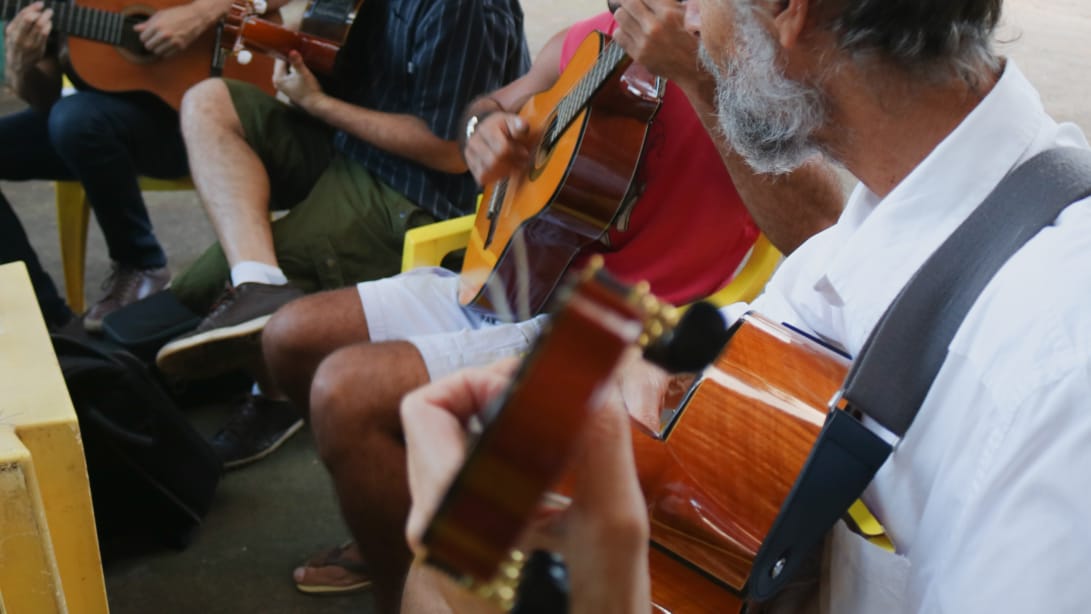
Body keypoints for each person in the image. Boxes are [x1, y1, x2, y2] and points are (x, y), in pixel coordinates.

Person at [402, 0, 1091, 611]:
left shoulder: (1056, 368)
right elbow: (747, 366)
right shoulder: (887, 215)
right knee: (451, 565)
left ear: (789, 10)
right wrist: (615, 388)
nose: (690, 24)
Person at [263, 0, 845, 609]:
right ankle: (392, 510)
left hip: (620, 325)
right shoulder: (583, 40)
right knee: (290, 337)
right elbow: (487, 107)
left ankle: (406, 582)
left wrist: (697, 76)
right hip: (513, 271)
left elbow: (823, 229)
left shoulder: (748, 53)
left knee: (344, 393)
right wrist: (481, 134)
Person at [150, 0, 531, 467]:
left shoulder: (462, 10)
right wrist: (283, 34)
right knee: (207, 100)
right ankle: (258, 284)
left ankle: (277, 395)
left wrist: (320, 104)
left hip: (415, 192)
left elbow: (449, 150)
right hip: (348, 145)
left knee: (200, 293)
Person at [0, 0, 229, 330]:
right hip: (100, 126)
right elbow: (44, 99)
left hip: (202, 116)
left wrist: (200, 12)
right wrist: (21, 65)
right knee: (73, 118)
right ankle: (52, 324)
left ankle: (139, 262)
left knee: (75, 118)